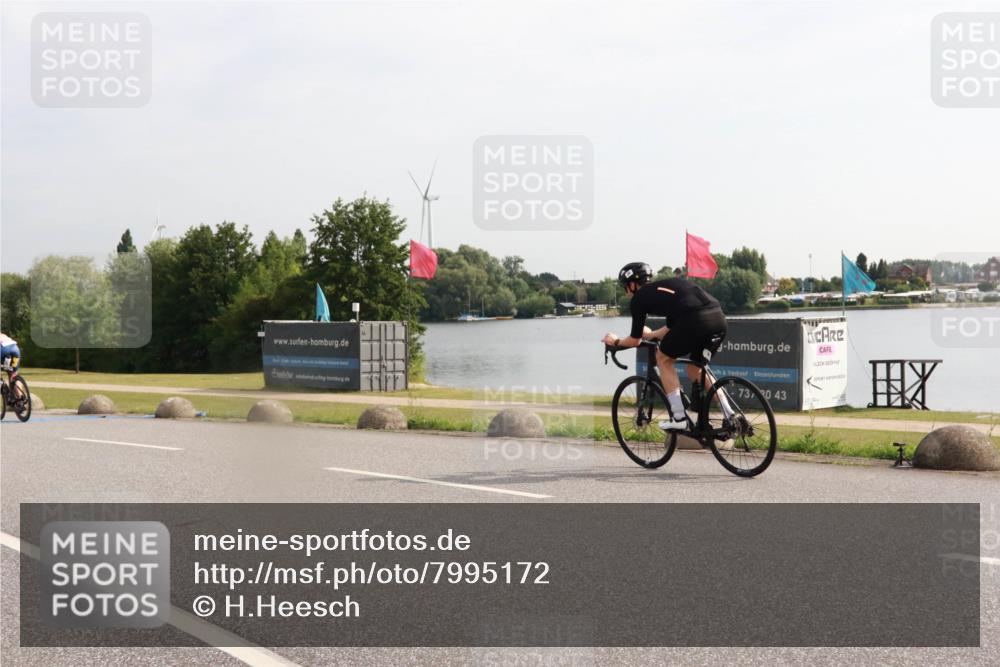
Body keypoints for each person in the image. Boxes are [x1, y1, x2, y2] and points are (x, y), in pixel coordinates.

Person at [601, 262, 728, 430]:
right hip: (718, 318)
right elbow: (670, 327)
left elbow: (634, 341)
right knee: (694, 369)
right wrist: (651, 335)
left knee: (663, 359)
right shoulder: (667, 288)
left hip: (695, 320)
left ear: (632, 285)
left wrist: (616, 341)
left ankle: (679, 417)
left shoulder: (639, 298)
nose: (626, 292)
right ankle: (731, 416)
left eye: (625, 287)